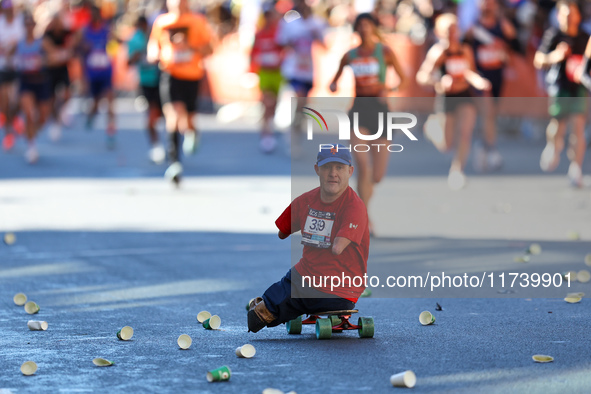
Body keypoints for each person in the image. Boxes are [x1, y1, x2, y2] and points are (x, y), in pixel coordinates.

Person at [247, 145, 370, 333]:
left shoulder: (345, 205)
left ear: (350, 171)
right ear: (317, 170)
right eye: (328, 167)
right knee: (280, 296)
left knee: (258, 314)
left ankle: (275, 308)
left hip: (320, 286)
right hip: (344, 293)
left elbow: (283, 233)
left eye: (339, 168)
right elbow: (282, 231)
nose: (333, 173)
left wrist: (313, 225)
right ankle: (284, 306)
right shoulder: (350, 204)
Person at [329, 13, 408, 235]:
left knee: (377, 176)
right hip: (358, 110)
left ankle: (360, 210)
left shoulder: (384, 52)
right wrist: (333, 85)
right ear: (356, 29)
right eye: (360, 25)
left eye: (367, 25)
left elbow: (403, 79)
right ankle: (364, 218)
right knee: (362, 165)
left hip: (381, 112)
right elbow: (334, 80)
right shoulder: (350, 55)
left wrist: (389, 90)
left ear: (374, 28)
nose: (364, 29)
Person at [416, 13, 491, 190]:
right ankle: (431, 127)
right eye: (448, 30)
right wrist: (439, 82)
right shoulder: (438, 52)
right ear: (440, 32)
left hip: (465, 95)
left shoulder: (465, 50)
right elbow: (422, 76)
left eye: (454, 29)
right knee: (447, 145)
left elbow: (469, 71)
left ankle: (457, 171)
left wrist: (478, 81)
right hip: (447, 98)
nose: (452, 33)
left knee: (465, 133)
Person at [147, 0, 213, 184]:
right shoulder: (161, 22)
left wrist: (190, 47)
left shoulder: (198, 22)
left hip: (192, 76)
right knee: (173, 116)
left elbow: (210, 49)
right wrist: (153, 54)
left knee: (188, 121)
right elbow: (154, 44)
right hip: (170, 74)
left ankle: (192, 132)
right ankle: (174, 162)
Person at [534, 0, 588, 188]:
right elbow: (538, 60)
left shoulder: (585, 38)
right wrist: (554, 56)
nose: (569, 18)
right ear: (558, 16)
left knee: (578, 127)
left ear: (578, 16)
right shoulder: (554, 35)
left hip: (578, 89)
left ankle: (576, 167)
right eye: (565, 15)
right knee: (558, 124)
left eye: (572, 14)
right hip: (559, 87)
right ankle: (553, 146)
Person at [464, 0, 517, 172]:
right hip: (480, 77)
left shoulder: (503, 26)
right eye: (484, 3)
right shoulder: (472, 28)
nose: (488, 6)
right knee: (487, 113)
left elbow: (514, 49)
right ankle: (492, 150)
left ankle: (483, 146)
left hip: (496, 76)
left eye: (491, 3)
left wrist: (505, 49)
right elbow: (463, 50)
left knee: (491, 115)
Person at [276, 0, 326, 156]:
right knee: (298, 102)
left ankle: (295, 135)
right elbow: (281, 44)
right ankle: (290, 135)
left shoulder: (317, 23)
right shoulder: (289, 23)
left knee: (303, 109)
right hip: (293, 70)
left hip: (308, 71)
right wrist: (292, 43)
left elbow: (324, 45)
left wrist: (316, 35)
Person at [76, 6, 117, 149]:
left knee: (110, 104)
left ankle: (111, 133)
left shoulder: (106, 29)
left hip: (106, 72)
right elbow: (78, 50)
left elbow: (115, 45)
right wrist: (83, 77)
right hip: (93, 74)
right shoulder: (85, 31)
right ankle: (91, 116)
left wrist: (113, 41)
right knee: (96, 103)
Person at [128, 15, 165, 164]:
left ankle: (171, 145)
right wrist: (137, 55)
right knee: (152, 115)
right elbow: (128, 62)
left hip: (162, 80)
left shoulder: (157, 36)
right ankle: (156, 146)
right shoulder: (135, 40)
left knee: (166, 114)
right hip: (146, 83)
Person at [15, 14, 51, 163]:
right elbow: (7, 56)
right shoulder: (18, 44)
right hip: (26, 82)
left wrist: (44, 60)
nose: (29, 27)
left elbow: (54, 56)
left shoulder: (42, 43)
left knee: (42, 118)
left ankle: (31, 134)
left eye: (31, 24)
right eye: (26, 24)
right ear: (23, 26)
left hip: (41, 82)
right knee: (29, 114)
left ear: (35, 26)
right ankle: (31, 147)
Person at [250, 2, 282, 153]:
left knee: (273, 105)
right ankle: (266, 135)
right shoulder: (259, 34)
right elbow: (253, 53)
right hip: (264, 72)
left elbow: (286, 50)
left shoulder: (280, 33)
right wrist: (251, 71)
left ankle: (269, 126)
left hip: (278, 73)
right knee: (267, 102)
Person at [43, 12, 75, 142]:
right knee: (51, 99)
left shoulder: (66, 34)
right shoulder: (48, 35)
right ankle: (55, 123)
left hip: (62, 69)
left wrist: (60, 56)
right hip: (51, 71)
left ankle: (61, 111)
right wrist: (60, 55)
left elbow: (72, 48)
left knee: (67, 94)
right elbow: (50, 54)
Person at [0, 0, 24, 151]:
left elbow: (22, 43)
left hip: (17, 68)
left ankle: (14, 120)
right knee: (4, 103)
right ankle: (8, 133)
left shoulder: (20, 23)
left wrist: (13, 49)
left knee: (16, 101)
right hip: (2, 68)